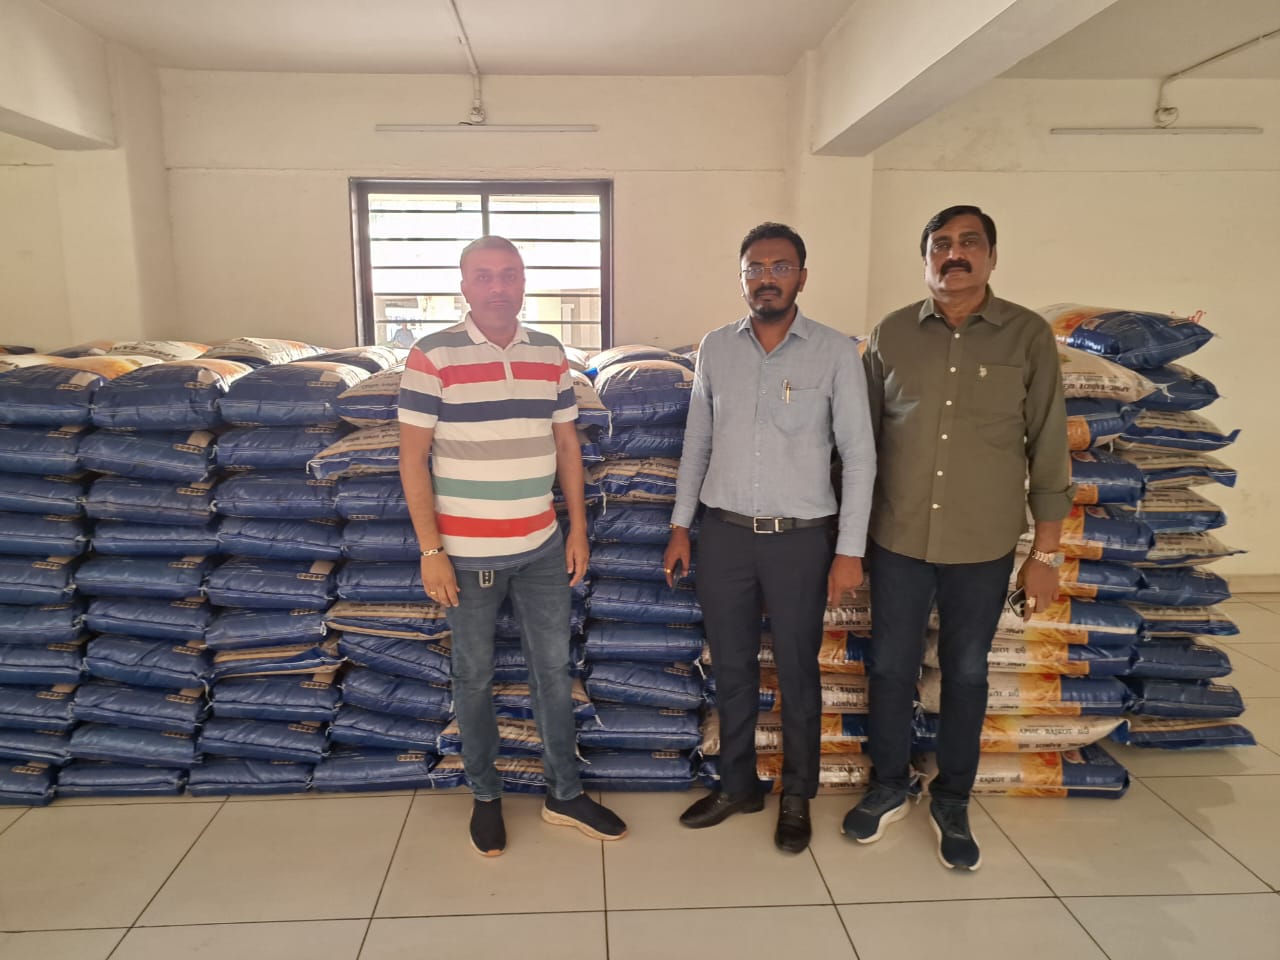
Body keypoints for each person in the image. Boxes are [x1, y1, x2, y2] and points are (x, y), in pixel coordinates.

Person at [845, 205, 1071, 870]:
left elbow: (1049, 448)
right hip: (899, 537)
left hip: (983, 542)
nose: (955, 254)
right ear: (925, 260)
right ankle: (890, 784)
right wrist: (849, 540)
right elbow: (861, 445)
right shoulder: (891, 334)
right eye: (941, 244)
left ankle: (952, 797)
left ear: (992, 257)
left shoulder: (1027, 337)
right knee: (891, 667)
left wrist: (1045, 553)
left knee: (967, 671)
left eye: (969, 242)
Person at [398, 235, 627, 856]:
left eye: (509, 275)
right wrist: (431, 551)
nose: (498, 286)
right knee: (472, 677)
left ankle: (564, 793)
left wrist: (577, 528)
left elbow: (567, 445)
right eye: (484, 275)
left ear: (523, 282)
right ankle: (485, 795)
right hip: (465, 552)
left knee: (552, 671)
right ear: (464, 285)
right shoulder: (431, 355)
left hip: (541, 547)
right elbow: (412, 458)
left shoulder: (549, 352)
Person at [665, 222, 876, 853]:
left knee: (796, 671)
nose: (766, 279)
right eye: (754, 268)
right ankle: (738, 786)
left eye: (780, 267)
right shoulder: (715, 348)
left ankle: (796, 795)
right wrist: (680, 527)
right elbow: (696, 442)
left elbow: (859, 456)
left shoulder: (835, 352)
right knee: (731, 668)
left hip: (800, 542)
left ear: (802, 278)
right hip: (725, 536)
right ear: (742, 279)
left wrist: (850, 550)